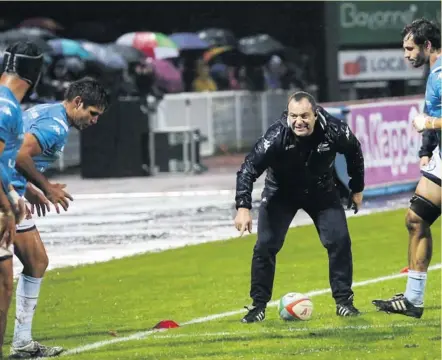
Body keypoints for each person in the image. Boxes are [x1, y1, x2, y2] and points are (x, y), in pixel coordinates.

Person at [234, 91, 365, 323]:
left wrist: (356, 188)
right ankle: (258, 306)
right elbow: (247, 170)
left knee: (339, 242)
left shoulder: (335, 130)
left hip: (321, 192)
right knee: (265, 246)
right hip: (280, 195)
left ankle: (344, 302)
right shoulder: (275, 137)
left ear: (315, 114)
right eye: (293, 116)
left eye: (304, 115)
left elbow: (354, 151)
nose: (298, 121)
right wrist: (243, 207)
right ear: (287, 115)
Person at [7, 77, 110, 359]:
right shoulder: (55, 127)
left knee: (36, 261)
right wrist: (47, 187)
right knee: (10, 273)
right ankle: (21, 342)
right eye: (93, 113)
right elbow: (18, 154)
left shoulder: (46, 111)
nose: (94, 121)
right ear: (78, 102)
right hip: (5, 196)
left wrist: (28, 189)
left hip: (13, 192)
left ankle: (23, 342)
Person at [372, 18, 441, 318]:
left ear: (427, 45)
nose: (406, 54)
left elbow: (432, 118)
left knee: (416, 219)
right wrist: (427, 149)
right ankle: (413, 299)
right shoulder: (435, 73)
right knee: (415, 219)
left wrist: (426, 123)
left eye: (410, 48)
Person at [0, 41, 44, 359]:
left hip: (5, 196)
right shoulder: (6, 107)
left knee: (6, 281)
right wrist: (5, 208)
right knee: (2, 286)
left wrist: (17, 193)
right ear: (35, 73)